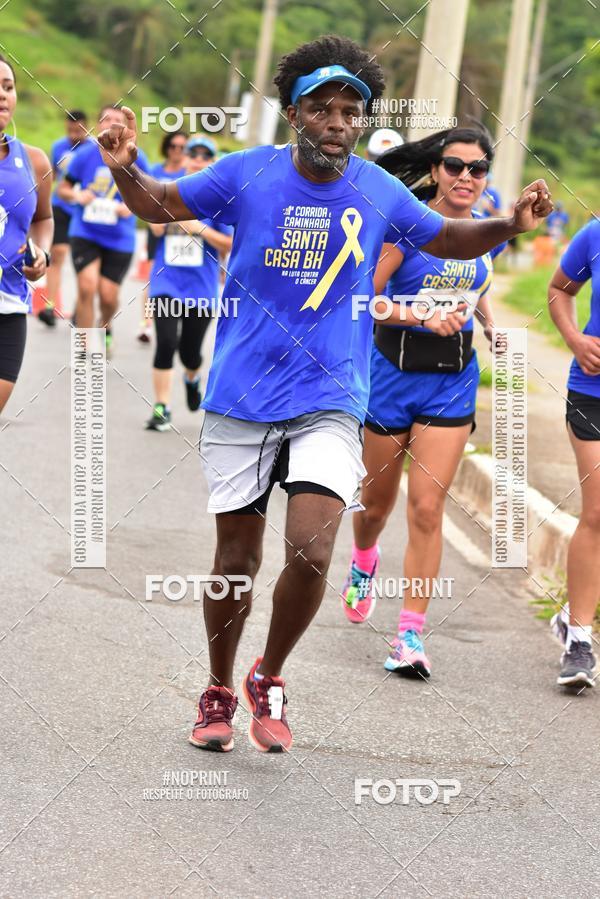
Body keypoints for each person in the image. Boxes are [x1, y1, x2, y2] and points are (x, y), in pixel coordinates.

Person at [97, 35, 551, 753]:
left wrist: (508, 225)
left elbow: (449, 236)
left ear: (362, 121)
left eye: (350, 110)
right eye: (321, 107)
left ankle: (268, 674)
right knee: (234, 562)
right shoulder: (246, 172)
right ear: (294, 112)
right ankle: (218, 684)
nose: (337, 121)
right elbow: (161, 202)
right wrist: (124, 168)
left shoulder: (378, 189)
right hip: (242, 394)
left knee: (310, 548)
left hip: (332, 395)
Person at [340, 125, 505, 680]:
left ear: (486, 176)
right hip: (390, 374)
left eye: (477, 168)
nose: (465, 177)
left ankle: (410, 633)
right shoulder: (405, 223)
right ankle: (364, 561)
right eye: (454, 166)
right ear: (435, 170)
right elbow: (365, 299)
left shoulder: (489, 229)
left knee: (428, 509)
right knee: (376, 506)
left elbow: (475, 284)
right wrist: (420, 316)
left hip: (451, 379)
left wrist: (488, 323)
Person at [145, 134, 232, 431]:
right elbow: (154, 229)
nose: (197, 160)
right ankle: (162, 407)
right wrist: (167, 218)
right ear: (184, 159)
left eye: (204, 156)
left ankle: (192, 378)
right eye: (192, 155)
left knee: (190, 352)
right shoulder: (169, 191)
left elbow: (228, 244)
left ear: (212, 162)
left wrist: (200, 229)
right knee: (166, 342)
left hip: (202, 289)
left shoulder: (219, 199)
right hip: (166, 282)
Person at [547, 219, 600, 687]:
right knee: (599, 510)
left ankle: (571, 615)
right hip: (592, 391)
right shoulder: (594, 233)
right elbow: (559, 289)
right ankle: (580, 639)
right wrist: (574, 339)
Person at [57, 105, 150, 353]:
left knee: (108, 296)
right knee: (87, 286)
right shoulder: (85, 155)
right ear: (98, 125)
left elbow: (151, 194)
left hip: (120, 237)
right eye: (106, 119)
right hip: (85, 231)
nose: (111, 124)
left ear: (125, 128)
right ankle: (85, 343)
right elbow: (62, 189)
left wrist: (131, 208)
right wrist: (78, 195)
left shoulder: (136, 155)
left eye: (117, 120)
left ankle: (105, 325)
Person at [0, 55, 53, 413]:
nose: (4, 95)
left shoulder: (34, 161)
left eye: (8, 87)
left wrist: (43, 254)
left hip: (9, 303)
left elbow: (44, 218)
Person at [137, 129, 188, 344]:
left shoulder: (190, 172)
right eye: (172, 146)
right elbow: (145, 198)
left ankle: (179, 318)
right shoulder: (155, 170)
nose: (176, 151)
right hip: (158, 230)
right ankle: (146, 324)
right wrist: (151, 220)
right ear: (166, 148)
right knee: (152, 277)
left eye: (181, 147)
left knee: (180, 272)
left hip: (183, 233)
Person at [39, 109, 89, 327]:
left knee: (84, 264)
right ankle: (50, 305)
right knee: (56, 254)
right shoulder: (59, 147)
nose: (73, 134)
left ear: (87, 126)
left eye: (78, 129)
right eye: (69, 130)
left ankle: (81, 309)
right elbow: (53, 176)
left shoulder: (94, 149)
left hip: (85, 210)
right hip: (60, 206)